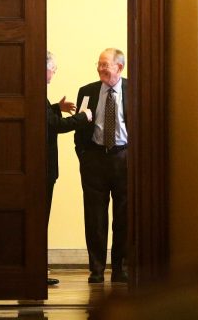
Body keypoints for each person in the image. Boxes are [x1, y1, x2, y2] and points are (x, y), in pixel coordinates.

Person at [74, 48, 129, 284]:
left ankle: (121, 268)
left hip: (124, 159)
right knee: (94, 218)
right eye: (99, 64)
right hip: (95, 159)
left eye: (105, 65)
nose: (101, 69)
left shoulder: (133, 89)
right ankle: (96, 269)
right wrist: (84, 156)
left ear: (119, 67)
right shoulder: (86, 92)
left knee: (124, 217)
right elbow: (80, 126)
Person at [45, 51, 93, 286]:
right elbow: (55, 126)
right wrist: (83, 117)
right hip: (42, 169)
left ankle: (36, 269)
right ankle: (35, 271)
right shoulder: (34, 88)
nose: (54, 73)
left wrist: (55, 107)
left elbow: (45, 117)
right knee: (40, 219)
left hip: (44, 169)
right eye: (54, 69)